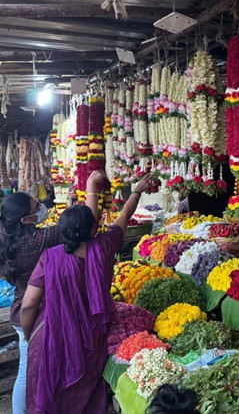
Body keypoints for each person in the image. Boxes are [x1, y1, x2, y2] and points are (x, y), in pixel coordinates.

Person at [20, 172, 153, 414]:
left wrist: (31, 335)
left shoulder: (50, 258)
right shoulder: (103, 246)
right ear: (92, 229)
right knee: (85, 395)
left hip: (51, 332)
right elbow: (124, 216)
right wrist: (137, 190)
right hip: (91, 336)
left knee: (51, 393)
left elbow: (29, 304)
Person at [0, 171, 101, 414]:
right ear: (26, 220)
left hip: (21, 312)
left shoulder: (8, 237)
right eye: (37, 206)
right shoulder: (38, 240)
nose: (42, 207)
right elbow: (88, 226)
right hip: (33, 316)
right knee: (28, 372)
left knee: (32, 369)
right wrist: (90, 189)